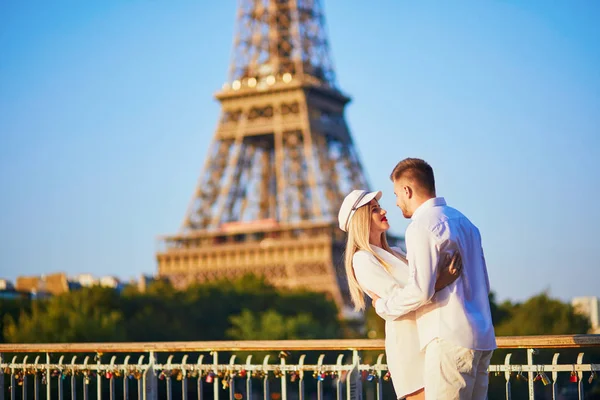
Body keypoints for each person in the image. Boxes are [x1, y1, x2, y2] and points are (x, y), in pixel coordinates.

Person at [367, 158, 496, 400]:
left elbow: (420, 291)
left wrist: (383, 305)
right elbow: (485, 285)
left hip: (449, 337)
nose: (395, 203)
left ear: (407, 190)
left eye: (396, 194)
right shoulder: (466, 223)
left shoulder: (421, 226)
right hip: (482, 337)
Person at [338, 189, 462, 400]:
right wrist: (441, 281)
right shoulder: (363, 259)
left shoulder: (397, 252)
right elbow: (400, 301)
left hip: (430, 340)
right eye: (375, 210)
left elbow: (416, 290)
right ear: (361, 219)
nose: (384, 211)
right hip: (409, 348)